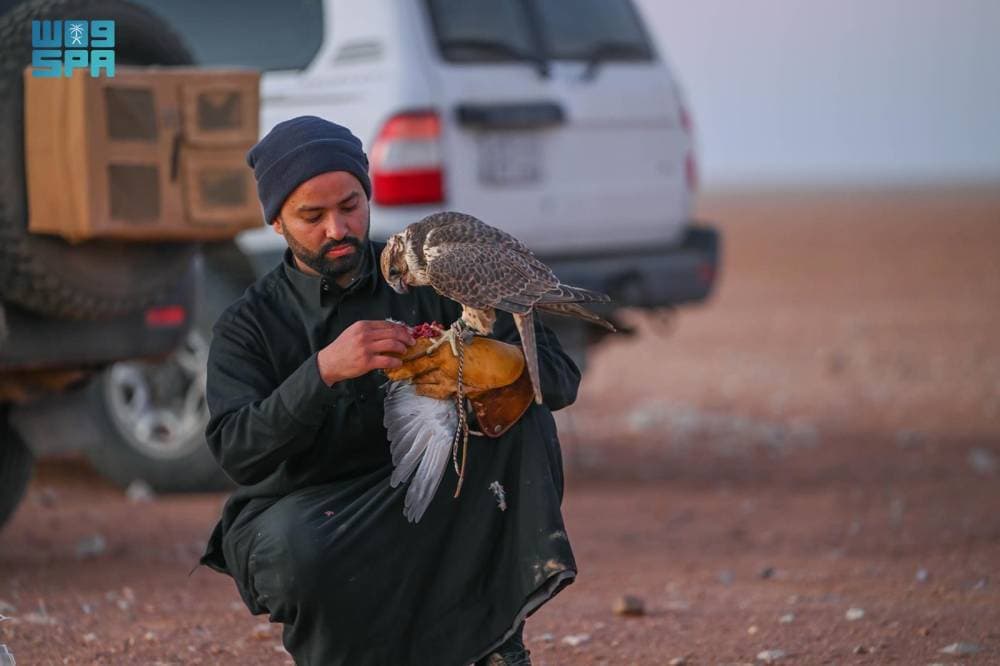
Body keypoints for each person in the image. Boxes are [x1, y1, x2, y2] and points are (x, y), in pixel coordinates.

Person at [197, 116, 580, 666]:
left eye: (350, 206)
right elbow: (237, 450)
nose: (338, 229)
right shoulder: (249, 325)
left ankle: (495, 644)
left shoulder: (438, 277)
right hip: (314, 508)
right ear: (276, 222)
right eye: (313, 216)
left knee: (526, 422)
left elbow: (560, 380)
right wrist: (322, 372)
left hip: (430, 488)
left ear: (368, 195)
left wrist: (490, 355)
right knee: (295, 549)